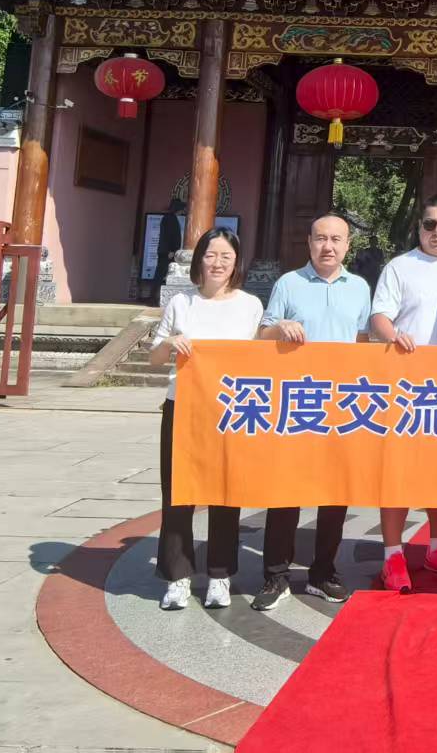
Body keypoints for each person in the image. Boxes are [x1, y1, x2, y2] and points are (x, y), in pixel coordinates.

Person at [250, 212, 373, 612]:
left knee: (334, 494)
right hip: (297, 403)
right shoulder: (289, 283)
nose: (328, 246)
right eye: (321, 238)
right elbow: (262, 334)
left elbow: (362, 342)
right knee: (285, 490)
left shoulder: (360, 288)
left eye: (336, 239)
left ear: (348, 245)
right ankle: (275, 575)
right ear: (309, 242)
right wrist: (280, 328)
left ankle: (323, 572)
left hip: (341, 406)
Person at [148, 227, 263, 611]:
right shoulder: (181, 303)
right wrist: (168, 343)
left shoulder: (250, 305)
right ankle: (177, 576)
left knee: (226, 493)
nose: (217, 263)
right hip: (183, 407)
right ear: (199, 259)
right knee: (178, 492)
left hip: (230, 411)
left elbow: (258, 360)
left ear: (237, 262)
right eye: (211, 255)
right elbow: (155, 358)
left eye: (226, 257)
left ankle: (219, 575)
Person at [367, 191, 437, 593]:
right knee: (398, 470)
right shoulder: (400, 266)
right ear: (419, 227)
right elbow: (379, 315)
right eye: (430, 224)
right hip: (406, 384)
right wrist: (393, 334)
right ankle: (392, 553)